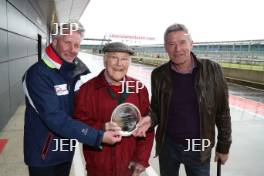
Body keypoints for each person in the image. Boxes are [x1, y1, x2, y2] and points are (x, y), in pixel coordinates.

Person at [22, 20, 121, 176]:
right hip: (43, 156)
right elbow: (55, 118)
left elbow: (79, 113)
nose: (72, 50)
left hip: (65, 151)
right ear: (55, 41)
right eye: (67, 43)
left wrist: (102, 126)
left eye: (77, 45)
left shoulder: (72, 75)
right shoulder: (38, 75)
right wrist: (98, 136)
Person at [134, 23, 232, 176]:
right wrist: (150, 119)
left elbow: (223, 112)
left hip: (198, 146)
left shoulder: (212, 70)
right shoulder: (159, 75)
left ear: (191, 44)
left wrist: (223, 146)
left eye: (182, 42)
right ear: (166, 48)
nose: (177, 49)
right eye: (171, 44)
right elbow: (157, 110)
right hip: (168, 145)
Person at [73, 42, 154, 176]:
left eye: (124, 59)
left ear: (129, 62)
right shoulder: (87, 90)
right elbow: (77, 127)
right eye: (114, 57)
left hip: (128, 167)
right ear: (105, 60)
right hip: (98, 168)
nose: (119, 64)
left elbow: (147, 128)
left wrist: (141, 159)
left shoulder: (140, 90)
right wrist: (102, 128)